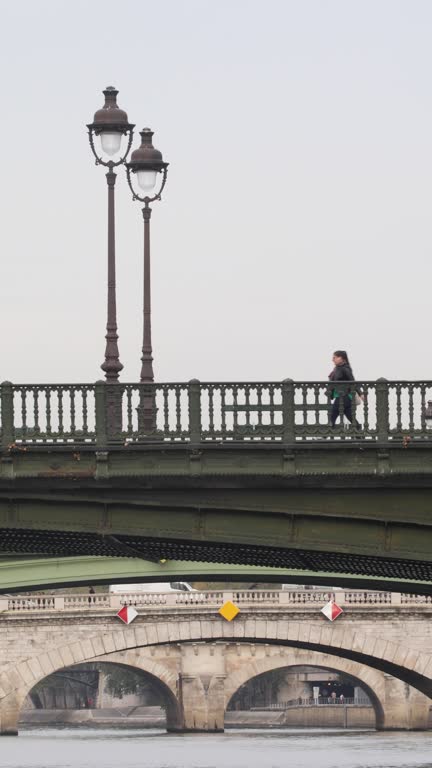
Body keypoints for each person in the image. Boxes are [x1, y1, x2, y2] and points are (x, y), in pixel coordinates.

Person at [328, 350, 363, 428]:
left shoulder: (345, 368)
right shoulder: (337, 368)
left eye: (335, 357)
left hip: (343, 396)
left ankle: (325, 436)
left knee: (332, 416)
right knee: (351, 417)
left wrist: (360, 393)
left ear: (342, 358)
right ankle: (360, 435)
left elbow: (353, 381)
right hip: (342, 397)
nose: (333, 359)